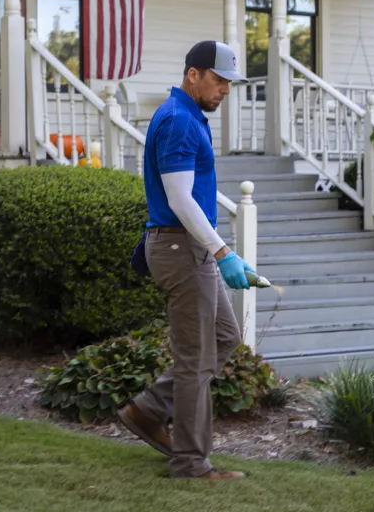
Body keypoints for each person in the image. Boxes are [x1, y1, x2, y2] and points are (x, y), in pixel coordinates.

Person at [118, 40, 255, 480]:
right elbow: (179, 199)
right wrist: (224, 251)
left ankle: (148, 409)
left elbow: (192, 192)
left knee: (224, 335)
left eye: (229, 84)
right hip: (180, 249)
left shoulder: (191, 116)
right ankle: (192, 462)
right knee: (195, 360)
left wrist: (216, 247)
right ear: (192, 74)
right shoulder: (178, 121)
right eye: (218, 81)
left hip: (190, 246)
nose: (224, 91)